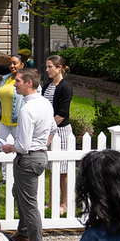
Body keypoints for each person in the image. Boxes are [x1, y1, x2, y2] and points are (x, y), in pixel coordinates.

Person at [0, 68, 55, 241]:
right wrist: (42, 144)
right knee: (18, 193)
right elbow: (53, 128)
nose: (15, 84)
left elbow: (22, 146)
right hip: (38, 156)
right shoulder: (45, 104)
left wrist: (8, 147)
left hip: (28, 159)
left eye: (18, 81)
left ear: (29, 83)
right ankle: (23, 234)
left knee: (29, 205)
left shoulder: (27, 110)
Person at [45, 54, 73, 215]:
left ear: (59, 68)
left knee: (62, 170)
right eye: (47, 66)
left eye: (50, 67)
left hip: (61, 131)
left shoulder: (65, 87)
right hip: (49, 130)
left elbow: (61, 114)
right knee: (52, 168)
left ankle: (63, 204)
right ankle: (51, 201)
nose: (47, 69)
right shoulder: (48, 86)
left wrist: (47, 130)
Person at [0, 54, 39, 141]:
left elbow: (37, 95)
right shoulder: (5, 79)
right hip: (4, 122)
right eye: (10, 64)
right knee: (3, 150)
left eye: (15, 63)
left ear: (22, 65)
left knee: (20, 147)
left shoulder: (28, 80)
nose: (12, 66)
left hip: (19, 122)